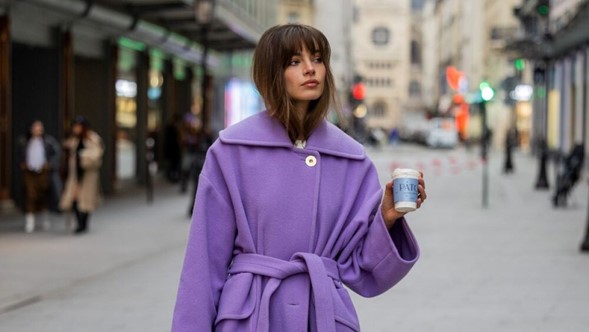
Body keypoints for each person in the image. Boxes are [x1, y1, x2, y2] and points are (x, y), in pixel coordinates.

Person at [172, 24, 426, 331]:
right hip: (250, 316)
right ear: (270, 74)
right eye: (294, 61)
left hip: (321, 316)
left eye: (317, 59)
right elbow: (203, 265)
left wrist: (387, 218)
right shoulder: (231, 151)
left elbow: (360, 267)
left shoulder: (352, 159)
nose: (310, 69)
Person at [59, 116, 104, 234]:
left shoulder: (92, 138)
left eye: (79, 126)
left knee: (86, 201)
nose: (76, 128)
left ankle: (83, 223)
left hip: (88, 174)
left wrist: (82, 156)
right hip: (75, 174)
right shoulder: (74, 140)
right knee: (74, 199)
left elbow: (97, 155)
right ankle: (79, 223)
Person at [17, 120, 61, 233]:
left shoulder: (48, 141)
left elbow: (56, 153)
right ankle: (30, 220)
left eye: (39, 128)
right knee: (30, 195)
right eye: (35, 128)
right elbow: (19, 155)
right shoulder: (24, 141)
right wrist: (22, 163)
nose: (37, 130)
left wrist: (49, 164)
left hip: (43, 171)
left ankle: (45, 217)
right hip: (29, 171)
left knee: (43, 194)